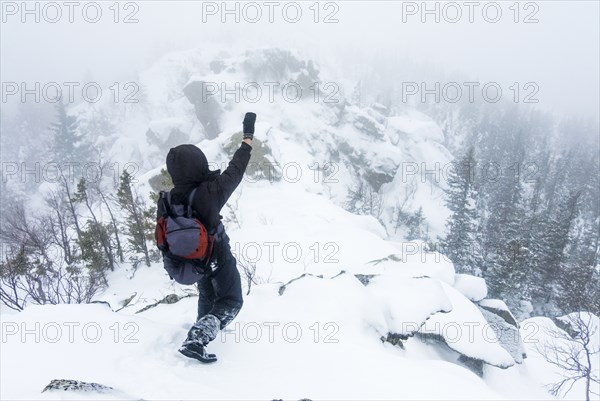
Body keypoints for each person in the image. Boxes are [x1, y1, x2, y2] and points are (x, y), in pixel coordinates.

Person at [163, 112, 256, 362]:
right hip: (217, 255)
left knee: (207, 294)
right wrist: (247, 137)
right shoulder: (210, 192)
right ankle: (198, 339)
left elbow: (162, 236)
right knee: (232, 300)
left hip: (191, 260)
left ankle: (198, 332)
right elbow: (236, 169)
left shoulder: (168, 199)